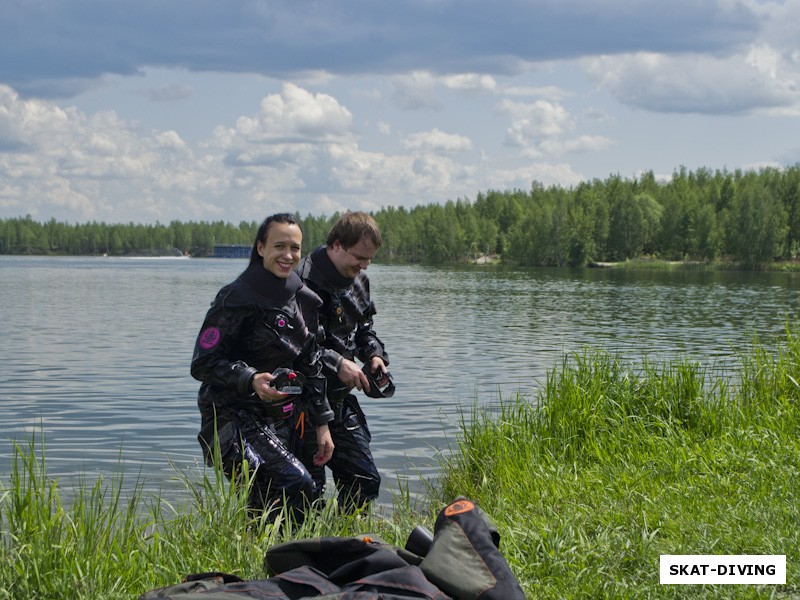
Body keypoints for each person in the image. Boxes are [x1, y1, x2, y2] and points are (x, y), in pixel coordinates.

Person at [190, 213, 334, 519]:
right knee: (285, 481)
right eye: (279, 246)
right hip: (227, 412)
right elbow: (203, 363)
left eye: (295, 248)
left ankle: (275, 558)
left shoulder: (304, 301)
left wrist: (322, 424)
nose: (288, 255)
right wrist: (251, 377)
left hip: (275, 416)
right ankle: (260, 555)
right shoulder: (235, 297)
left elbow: (312, 367)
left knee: (301, 494)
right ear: (260, 248)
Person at [296, 211, 390, 512]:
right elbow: (296, 347)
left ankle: (349, 547)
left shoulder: (359, 280)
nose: (364, 265)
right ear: (336, 245)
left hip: (338, 401)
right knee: (308, 494)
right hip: (301, 405)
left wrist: (374, 354)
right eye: (359, 257)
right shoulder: (299, 283)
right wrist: (338, 364)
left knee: (364, 480)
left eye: (369, 259)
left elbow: (365, 328)